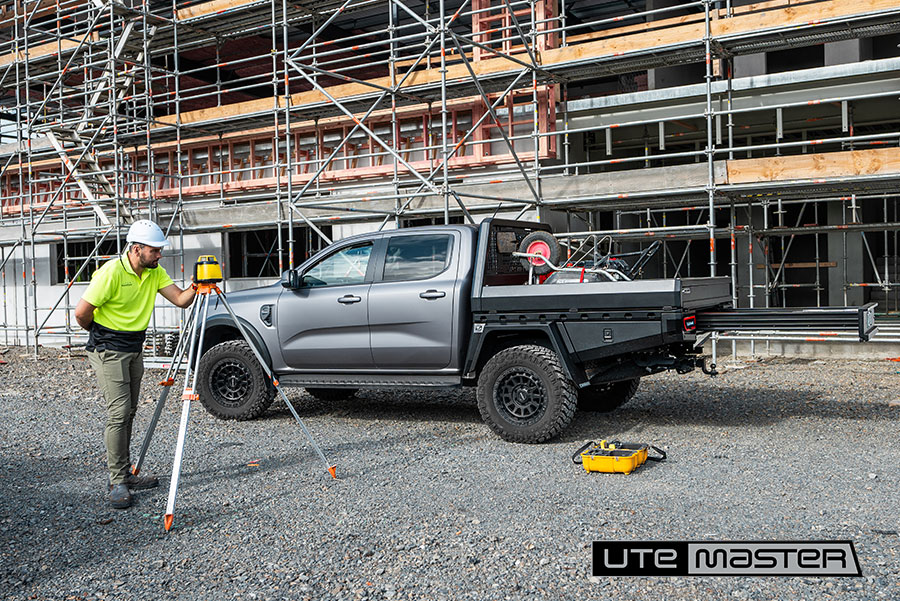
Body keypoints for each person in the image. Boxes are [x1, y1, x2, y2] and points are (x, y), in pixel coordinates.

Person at [75, 220, 196, 509]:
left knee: (129, 411)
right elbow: (81, 313)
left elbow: (180, 300)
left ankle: (125, 473)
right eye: (155, 251)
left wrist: (198, 286)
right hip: (108, 349)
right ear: (137, 249)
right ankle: (117, 481)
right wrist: (102, 336)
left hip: (133, 348)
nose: (159, 256)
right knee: (118, 412)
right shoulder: (111, 273)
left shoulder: (154, 272)